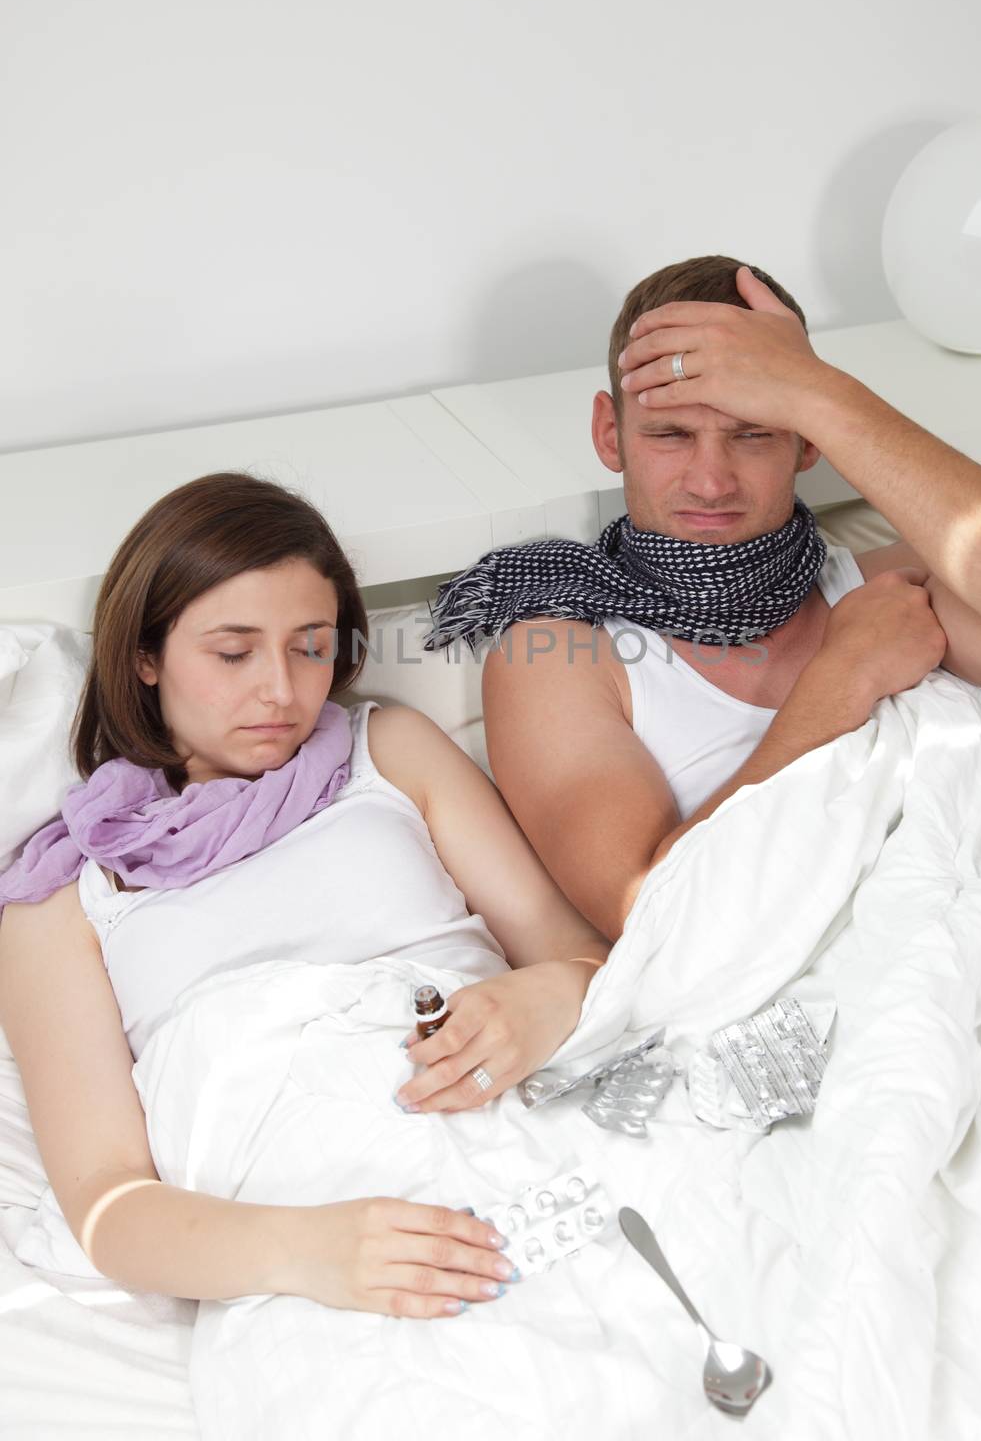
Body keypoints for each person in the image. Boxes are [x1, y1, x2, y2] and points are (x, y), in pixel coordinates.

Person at [0, 471, 610, 1321]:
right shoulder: (62, 894)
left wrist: (541, 995)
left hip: (518, 1126)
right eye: (232, 652)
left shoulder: (388, 752)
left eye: (311, 645)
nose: (281, 692)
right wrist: (308, 1250)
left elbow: (581, 957)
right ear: (144, 655)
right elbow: (105, 1204)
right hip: (315, 1238)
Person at [433, 255, 981, 941]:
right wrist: (841, 680)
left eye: (753, 434)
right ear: (609, 435)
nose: (711, 482)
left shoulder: (894, 591)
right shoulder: (557, 657)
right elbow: (650, 917)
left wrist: (824, 396)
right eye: (670, 434)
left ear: (807, 442)